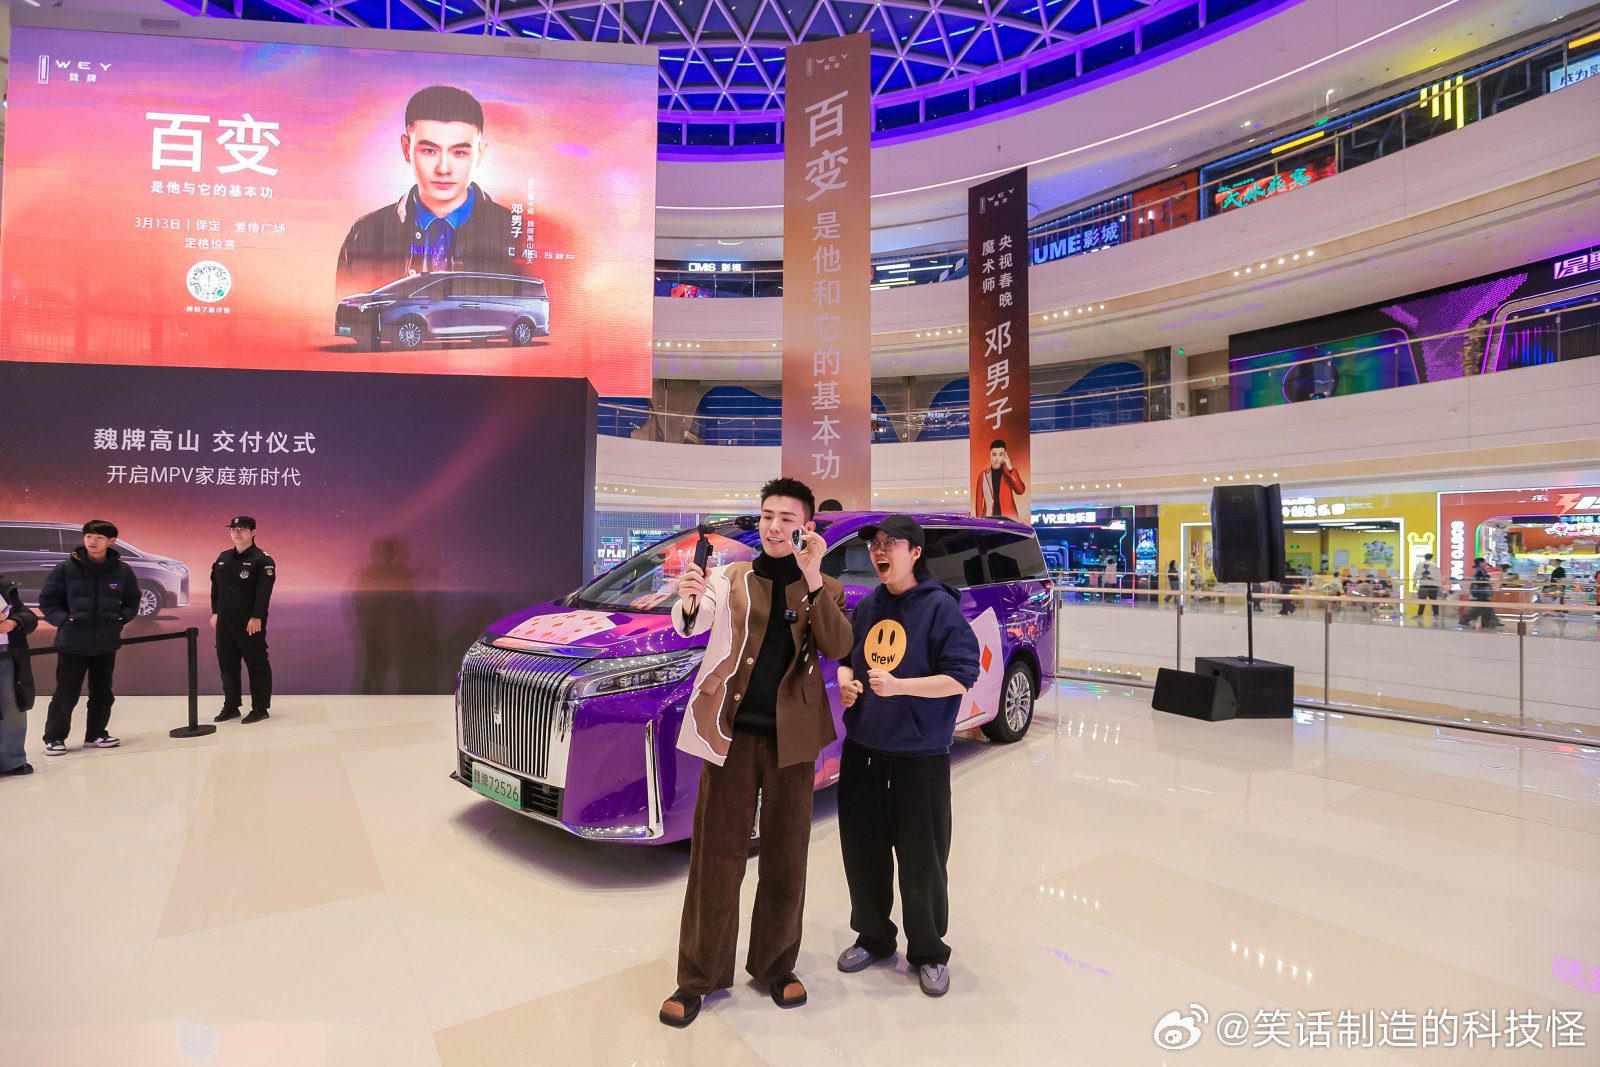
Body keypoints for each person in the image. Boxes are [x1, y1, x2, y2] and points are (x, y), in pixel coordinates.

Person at [659, 477, 853, 1029]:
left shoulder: (826, 586)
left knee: (787, 855)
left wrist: (812, 577)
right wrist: (688, 601)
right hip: (732, 733)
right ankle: (698, 976)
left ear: (805, 527)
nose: (774, 526)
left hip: (794, 739)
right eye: (767, 515)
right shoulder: (731, 576)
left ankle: (776, 965)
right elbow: (693, 623)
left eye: (786, 518)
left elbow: (838, 645)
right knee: (716, 856)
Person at [834, 515, 979, 998]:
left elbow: (961, 676)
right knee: (863, 853)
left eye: (890, 543)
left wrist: (900, 687)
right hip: (863, 751)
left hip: (919, 756)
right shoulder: (867, 606)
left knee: (923, 859)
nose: (879, 550)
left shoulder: (939, 607)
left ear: (915, 552)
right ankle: (873, 936)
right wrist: (847, 685)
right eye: (874, 543)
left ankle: (930, 950)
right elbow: (845, 660)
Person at [336, 85, 520, 296]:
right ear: (406, 149)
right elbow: (346, 311)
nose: (443, 169)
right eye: (429, 151)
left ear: (479, 153)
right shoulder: (365, 234)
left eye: (459, 152)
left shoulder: (514, 232)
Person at [38, 520, 141, 755]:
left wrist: (120, 618)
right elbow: (47, 601)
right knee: (66, 693)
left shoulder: (123, 570)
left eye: (99, 537)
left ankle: (96, 734)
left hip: (106, 642)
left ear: (111, 541)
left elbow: (133, 601)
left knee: (102, 693)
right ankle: (54, 738)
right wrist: (65, 620)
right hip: (72, 642)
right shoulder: (65, 569)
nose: (92, 541)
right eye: (88, 536)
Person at [211, 516, 276, 724]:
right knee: (227, 664)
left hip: (249, 622)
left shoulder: (262, 560)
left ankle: (260, 708)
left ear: (253, 532)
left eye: (242, 529)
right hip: (225, 622)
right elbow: (216, 587)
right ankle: (231, 706)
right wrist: (215, 612)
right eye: (233, 529)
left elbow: (263, 593)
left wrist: (256, 617)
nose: (237, 533)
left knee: (256, 664)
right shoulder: (223, 557)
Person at [1, 575, 40, 776]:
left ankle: (13, 760)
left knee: (13, 707)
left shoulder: (5, 587)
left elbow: (29, 617)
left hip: (8, 654)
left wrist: (14, 621)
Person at [972, 439, 1025, 520]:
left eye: (1000, 455)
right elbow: (978, 503)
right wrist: (980, 522)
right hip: (989, 519)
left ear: (1005, 455)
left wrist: (1010, 469)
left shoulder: (1010, 473)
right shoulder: (983, 475)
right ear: (990, 454)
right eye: (994, 455)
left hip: (1009, 519)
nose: (997, 459)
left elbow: (1020, 490)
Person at [1462, 557, 1503, 630]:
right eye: (1484, 562)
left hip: (1480, 592)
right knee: (1481, 607)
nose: (1485, 563)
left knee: (1484, 607)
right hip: (1481, 592)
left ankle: (1490, 622)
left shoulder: (1480, 570)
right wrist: (1487, 577)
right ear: (1480, 563)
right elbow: (1480, 581)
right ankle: (1466, 619)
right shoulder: (1479, 571)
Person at [1413, 552, 1442, 621]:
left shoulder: (1419, 565)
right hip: (1433, 585)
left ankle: (1420, 614)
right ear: (1431, 558)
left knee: (1422, 601)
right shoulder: (1434, 565)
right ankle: (1436, 614)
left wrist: (1415, 583)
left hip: (1423, 585)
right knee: (1434, 601)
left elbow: (1416, 575)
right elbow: (1438, 575)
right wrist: (1439, 584)